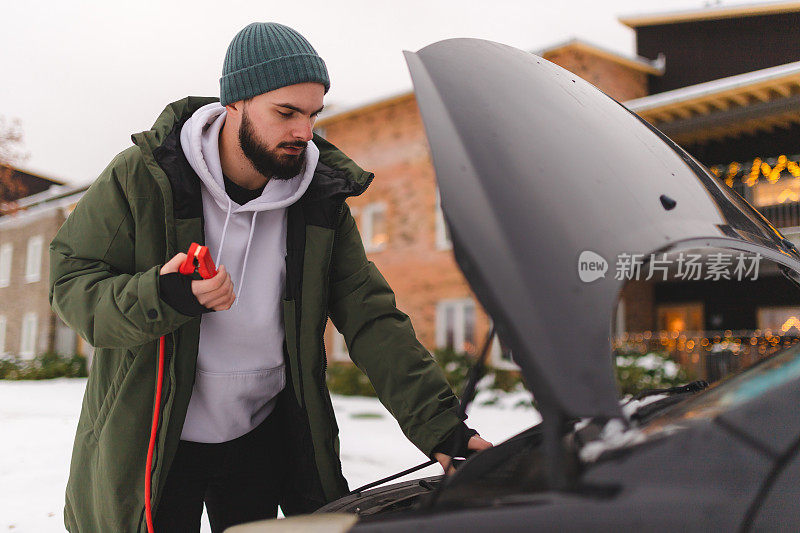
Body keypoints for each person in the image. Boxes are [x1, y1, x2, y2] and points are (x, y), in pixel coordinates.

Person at [49, 21, 491, 533]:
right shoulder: (144, 178)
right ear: (235, 102)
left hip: (260, 438)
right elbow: (71, 282)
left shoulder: (319, 201)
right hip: (158, 440)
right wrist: (162, 293)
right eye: (286, 112)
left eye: (312, 114)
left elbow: (372, 317)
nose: (304, 132)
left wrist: (441, 427)